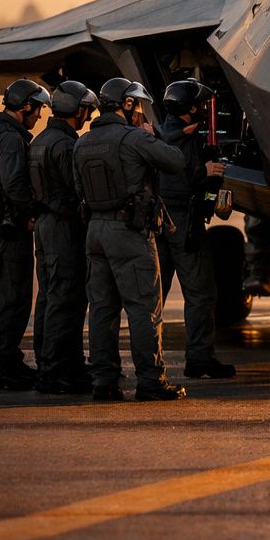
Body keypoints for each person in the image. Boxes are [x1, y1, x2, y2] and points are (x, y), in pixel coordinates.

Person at [73, 78, 188, 401]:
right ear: (126, 105)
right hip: (129, 233)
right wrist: (158, 135)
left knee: (102, 309)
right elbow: (175, 162)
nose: (140, 111)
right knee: (143, 308)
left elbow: (78, 189)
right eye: (137, 105)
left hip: (95, 232)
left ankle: (104, 382)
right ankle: (151, 381)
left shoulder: (82, 143)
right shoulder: (134, 138)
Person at [0, 79, 50, 390]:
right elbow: (14, 184)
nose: (40, 115)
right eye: (38, 108)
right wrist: (31, 211)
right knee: (13, 297)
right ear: (25, 106)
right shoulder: (9, 139)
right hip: (7, 223)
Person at [157, 78, 234, 379]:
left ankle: (147, 362)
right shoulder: (185, 140)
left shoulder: (157, 135)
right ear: (190, 108)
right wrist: (206, 172)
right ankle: (200, 358)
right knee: (201, 294)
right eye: (199, 104)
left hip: (159, 223)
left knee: (151, 298)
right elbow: (177, 179)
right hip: (184, 226)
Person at [28, 81, 98, 395]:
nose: (87, 115)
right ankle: (55, 372)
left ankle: (55, 364)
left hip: (45, 225)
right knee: (66, 299)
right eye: (86, 109)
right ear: (78, 110)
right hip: (64, 227)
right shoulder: (66, 145)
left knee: (49, 297)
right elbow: (77, 189)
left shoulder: (41, 140)